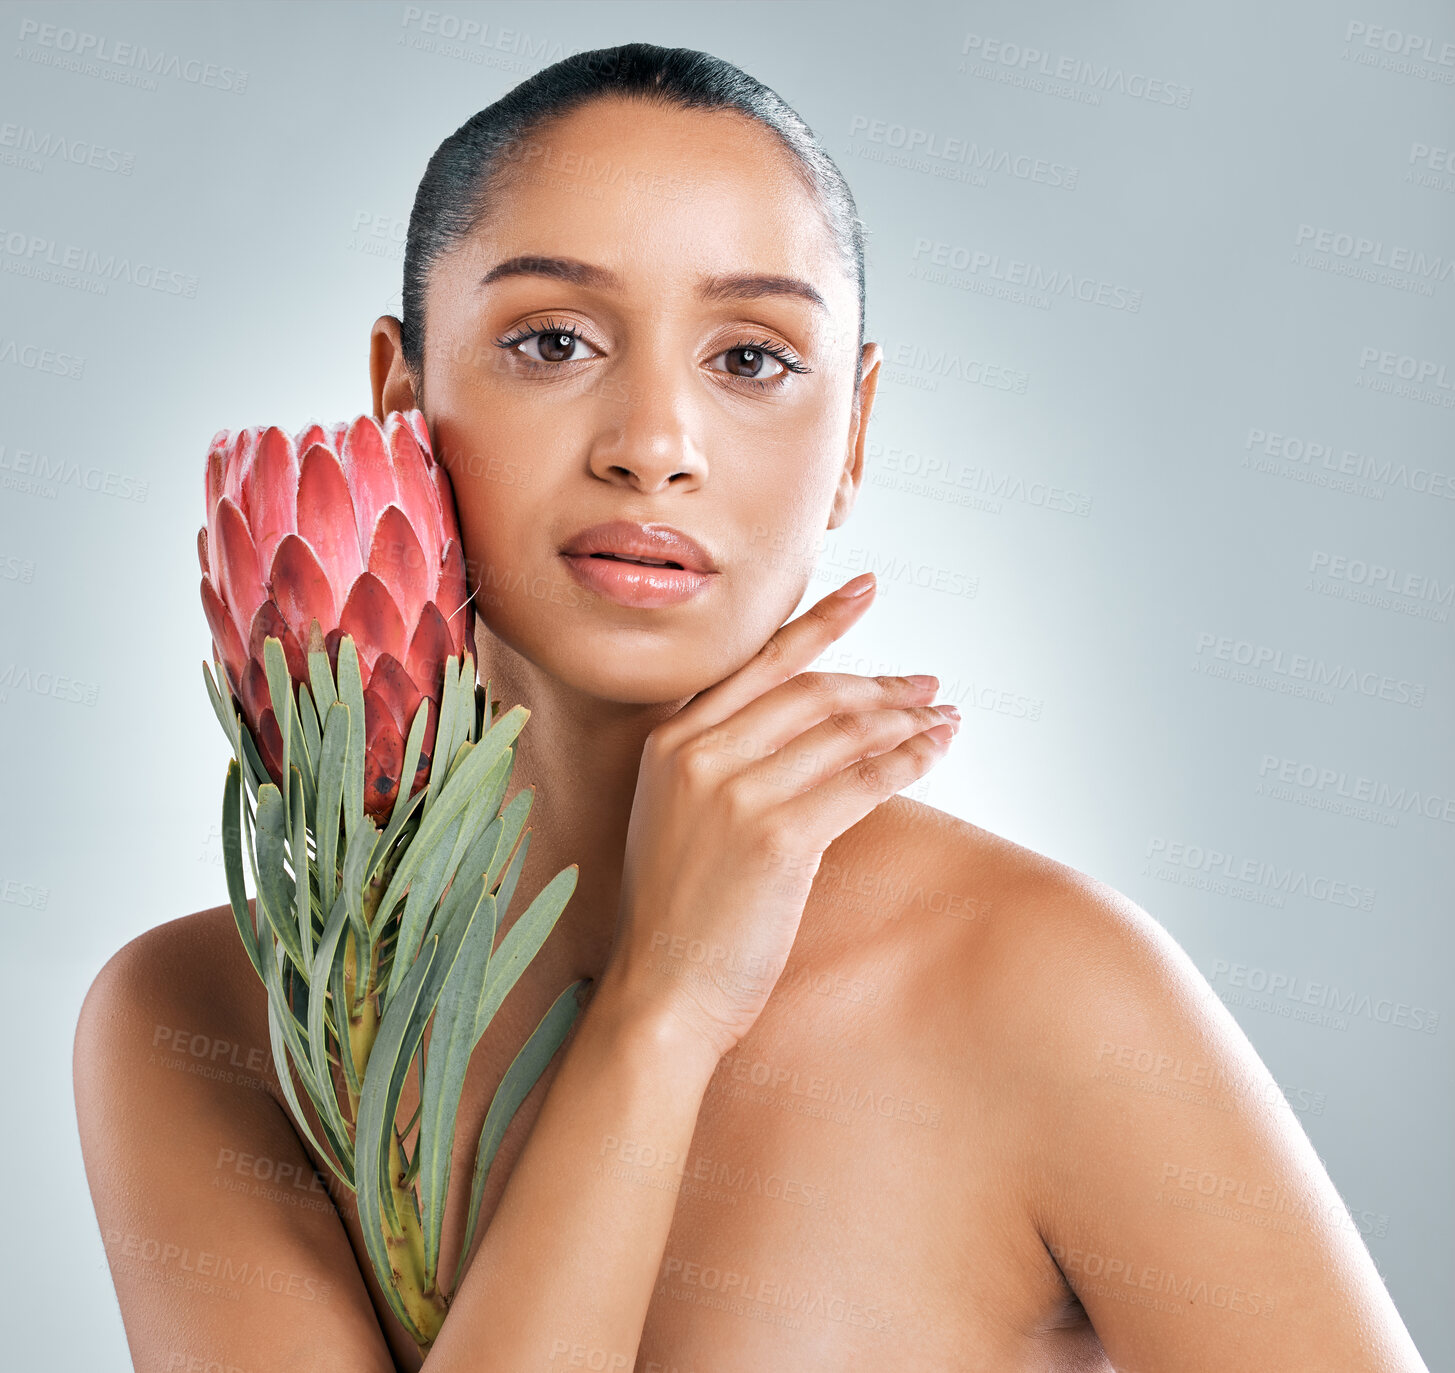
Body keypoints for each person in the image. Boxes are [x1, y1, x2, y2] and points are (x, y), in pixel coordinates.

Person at [74, 42, 1429, 1373]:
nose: (652, 443)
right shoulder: (207, 1019)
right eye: (552, 339)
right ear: (400, 395)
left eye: (753, 359)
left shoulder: (1050, 991)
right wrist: (662, 1012)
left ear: (853, 435)